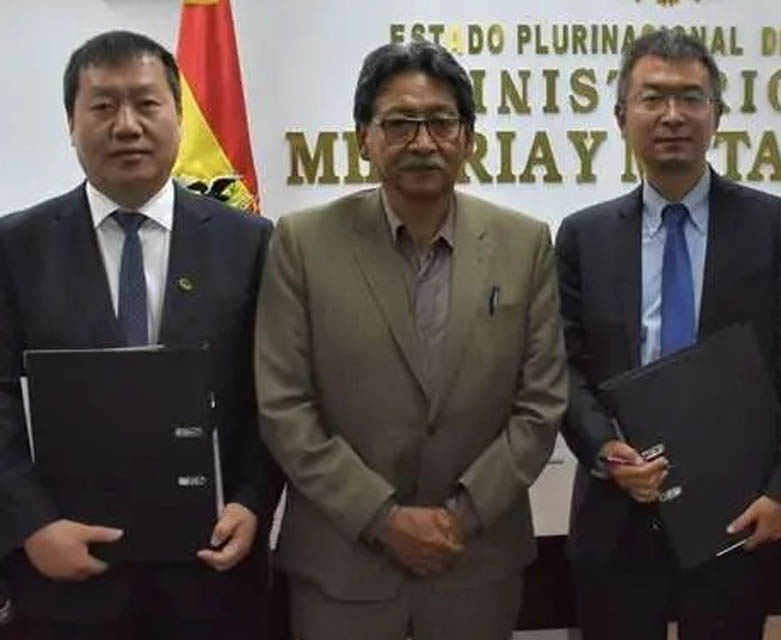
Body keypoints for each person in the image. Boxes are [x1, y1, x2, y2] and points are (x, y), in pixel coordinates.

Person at [254, 40, 567, 640]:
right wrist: (383, 517)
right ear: (363, 138)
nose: (423, 142)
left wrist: (460, 517)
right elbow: (284, 406)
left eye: (442, 122)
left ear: (468, 138)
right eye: (399, 123)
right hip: (343, 571)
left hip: (475, 567)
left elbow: (541, 402)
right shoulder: (302, 244)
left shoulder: (524, 244)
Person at [0, 31, 280, 639]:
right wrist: (29, 526)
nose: (126, 125)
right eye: (102, 106)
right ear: (70, 123)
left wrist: (254, 502)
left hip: (213, 576)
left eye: (147, 104)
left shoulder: (252, 244)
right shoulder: (14, 248)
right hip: (64, 580)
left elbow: (273, 394)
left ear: (180, 118)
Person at [556, 28, 781, 640]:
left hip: (738, 513)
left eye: (691, 98)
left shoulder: (771, 224)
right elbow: (562, 367)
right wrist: (605, 450)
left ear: (718, 115)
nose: (672, 115)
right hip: (619, 514)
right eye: (653, 98)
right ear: (621, 115)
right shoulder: (583, 236)